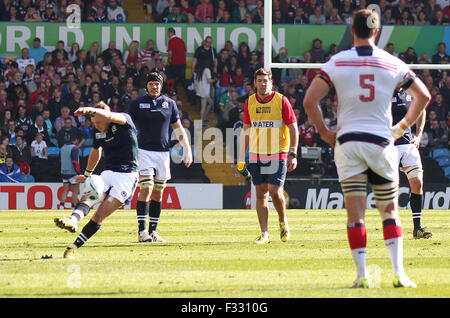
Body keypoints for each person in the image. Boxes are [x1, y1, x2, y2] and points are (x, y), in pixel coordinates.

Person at [303, 9, 431, 288]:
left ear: (353, 31)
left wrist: (325, 133)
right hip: (381, 143)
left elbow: (310, 101)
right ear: (376, 32)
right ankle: (399, 273)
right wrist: (401, 127)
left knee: (356, 214)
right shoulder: (391, 63)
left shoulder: (337, 61)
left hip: (348, 144)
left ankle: (362, 276)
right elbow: (424, 95)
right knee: (389, 211)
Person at [54, 102, 139, 259]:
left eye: (99, 121)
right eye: (94, 122)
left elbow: (109, 115)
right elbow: (95, 153)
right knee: (90, 195)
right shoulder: (97, 131)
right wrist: (87, 175)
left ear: (105, 116)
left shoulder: (123, 120)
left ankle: (73, 247)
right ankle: (72, 220)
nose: (97, 125)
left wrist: (90, 110)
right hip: (107, 173)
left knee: (99, 215)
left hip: (127, 177)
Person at [128, 72, 193, 243]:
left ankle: (153, 232)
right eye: (151, 84)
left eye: (157, 84)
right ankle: (142, 232)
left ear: (161, 86)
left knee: (158, 193)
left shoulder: (169, 104)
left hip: (163, 154)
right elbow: (128, 127)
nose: (154, 86)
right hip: (144, 152)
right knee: (146, 188)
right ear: (146, 86)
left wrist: (187, 149)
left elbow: (178, 128)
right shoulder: (137, 104)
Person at [238, 68, 299, 244]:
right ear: (255, 83)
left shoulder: (281, 101)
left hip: (278, 152)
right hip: (257, 154)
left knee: (274, 191)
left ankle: (283, 222)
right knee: (260, 192)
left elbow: (294, 128)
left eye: (266, 81)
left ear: (271, 82)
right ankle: (264, 234)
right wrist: (242, 156)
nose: (263, 84)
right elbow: (246, 130)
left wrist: (293, 153)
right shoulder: (250, 102)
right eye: (259, 80)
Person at [391, 90, 432, 239]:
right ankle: (392, 228)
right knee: (391, 186)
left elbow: (422, 109)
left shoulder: (410, 95)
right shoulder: (384, 92)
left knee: (417, 182)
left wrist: (419, 134)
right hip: (390, 145)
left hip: (408, 144)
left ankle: (418, 228)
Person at [58, 134, 81, 210]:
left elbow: (60, 160)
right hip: (72, 172)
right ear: (76, 140)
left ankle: (61, 206)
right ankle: (73, 207)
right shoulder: (74, 148)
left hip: (64, 172)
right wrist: (78, 173)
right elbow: (75, 162)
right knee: (75, 191)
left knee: (65, 190)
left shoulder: (62, 148)